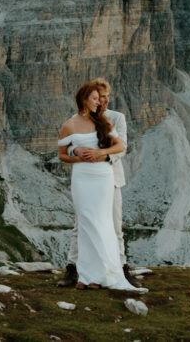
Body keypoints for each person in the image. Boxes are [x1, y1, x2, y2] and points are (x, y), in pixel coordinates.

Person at [57, 81, 146, 292]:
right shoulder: (74, 122)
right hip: (83, 176)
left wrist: (100, 154)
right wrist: (76, 152)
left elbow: (121, 148)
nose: (103, 101)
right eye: (98, 97)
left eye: (105, 97)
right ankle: (74, 269)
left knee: (113, 226)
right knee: (82, 225)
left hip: (109, 177)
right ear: (87, 99)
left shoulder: (115, 118)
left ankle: (119, 267)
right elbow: (66, 149)